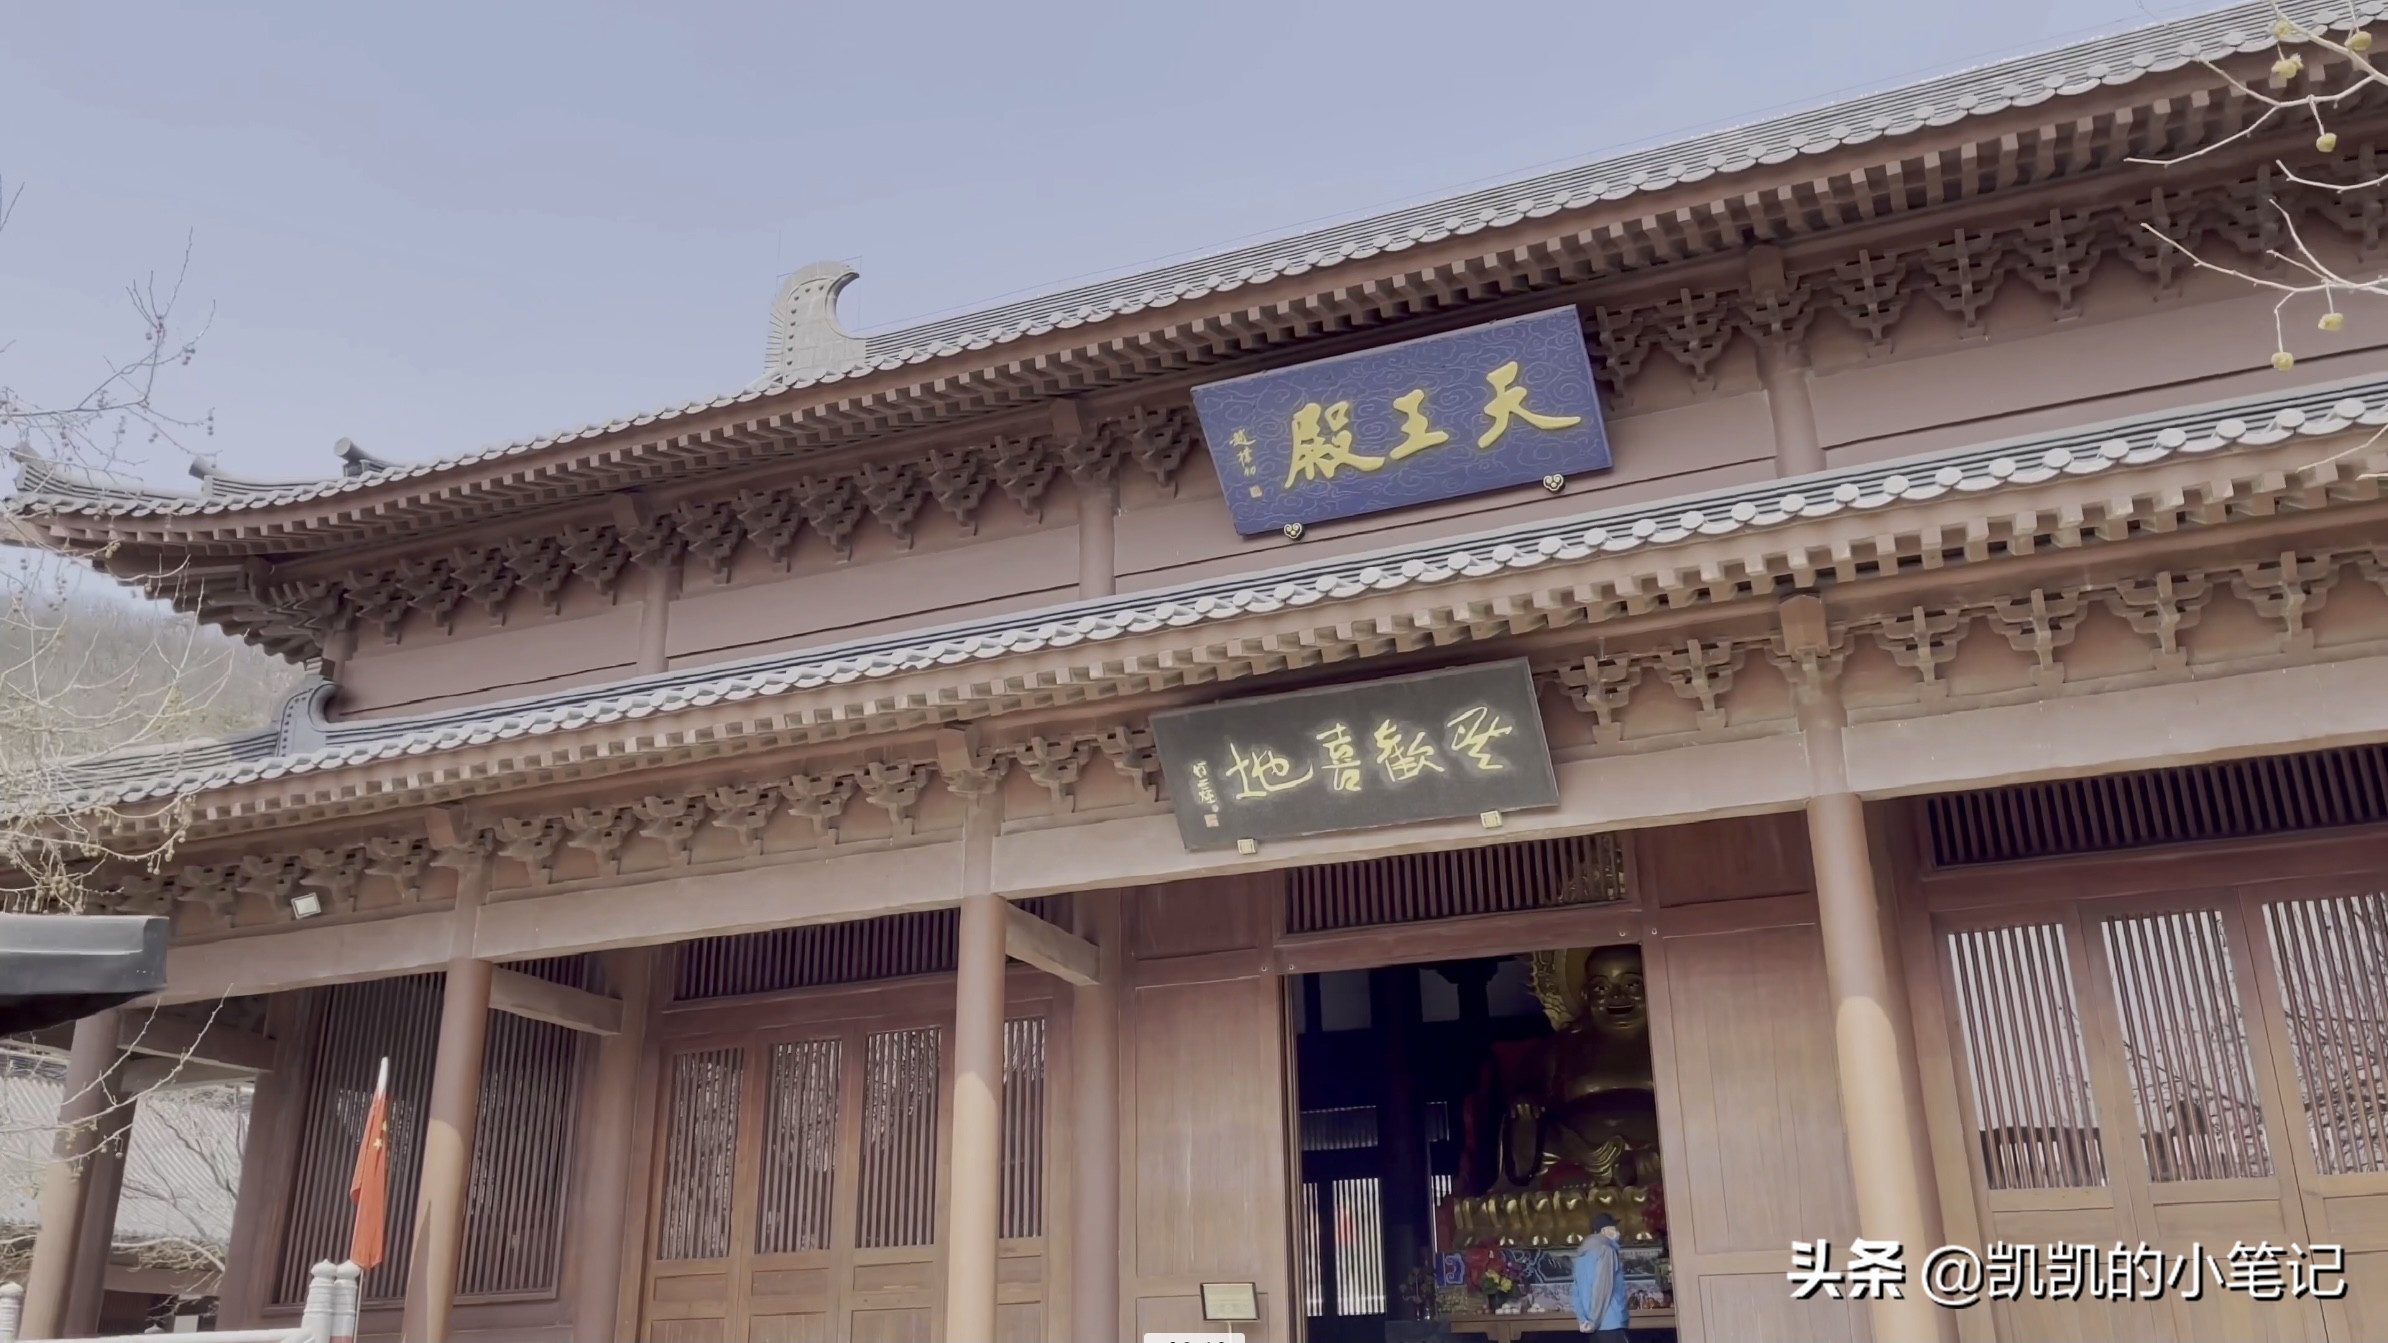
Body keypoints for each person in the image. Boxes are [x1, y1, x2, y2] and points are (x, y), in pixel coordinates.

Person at [1570, 1213, 1631, 1341]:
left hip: (1590, 1326)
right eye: (1613, 1227)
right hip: (1610, 1323)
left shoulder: (1581, 1255)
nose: (1617, 1231)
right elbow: (1603, 1288)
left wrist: (1583, 1320)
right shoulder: (1606, 1251)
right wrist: (1594, 1321)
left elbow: (1575, 1292)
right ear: (1604, 1230)